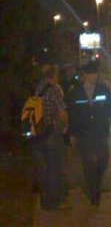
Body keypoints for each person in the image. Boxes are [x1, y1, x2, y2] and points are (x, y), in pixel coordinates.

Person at [67, 63, 111, 205]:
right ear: (85, 76)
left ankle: (96, 181)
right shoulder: (76, 91)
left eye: (96, 73)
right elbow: (72, 114)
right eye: (91, 74)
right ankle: (93, 192)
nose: (94, 76)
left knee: (103, 159)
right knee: (88, 163)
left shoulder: (103, 89)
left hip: (100, 130)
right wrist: (72, 133)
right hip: (84, 132)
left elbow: (110, 107)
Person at [31, 66, 70, 210]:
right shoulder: (53, 90)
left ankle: (45, 201)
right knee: (54, 168)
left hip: (36, 133)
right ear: (53, 75)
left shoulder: (36, 88)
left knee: (42, 169)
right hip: (51, 133)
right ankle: (55, 201)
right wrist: (65, 127)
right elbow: (62, 113)